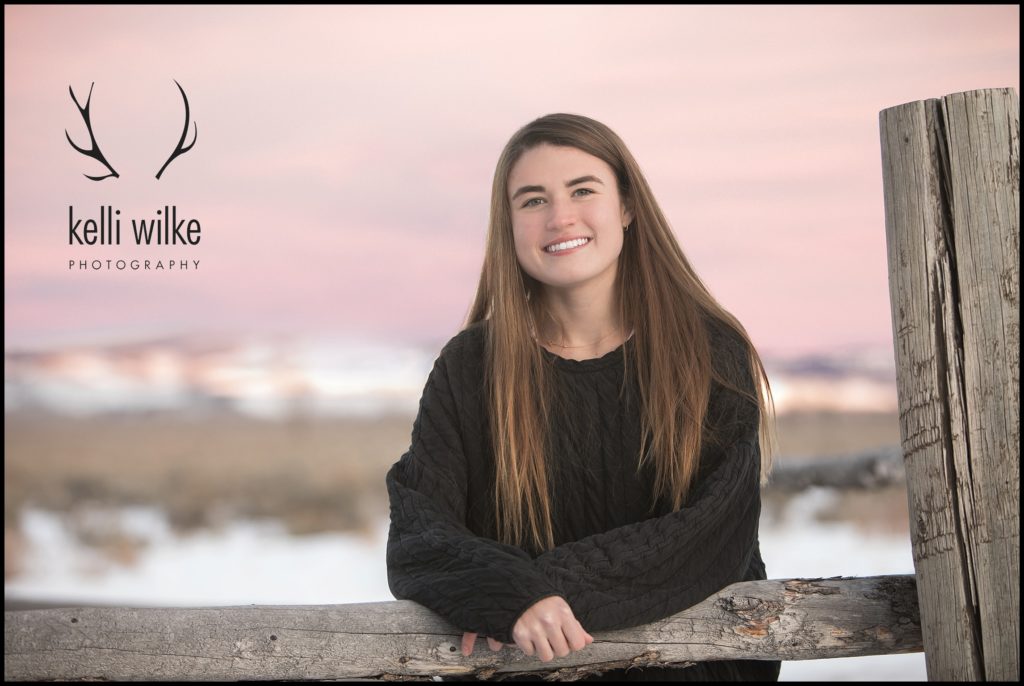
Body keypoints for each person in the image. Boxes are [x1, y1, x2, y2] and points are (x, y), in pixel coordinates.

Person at [385, 113, 781, 681]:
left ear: (626, 207)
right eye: (532, 200)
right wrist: (507, 592)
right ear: (510, 227)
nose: (559, 217)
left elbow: (711, 534)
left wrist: (522, 591)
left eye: (582, 190)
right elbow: (419, 530)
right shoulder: (469, 368)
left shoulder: (708, 352)